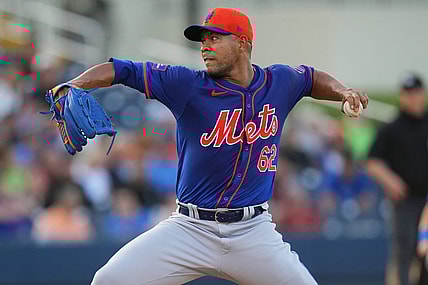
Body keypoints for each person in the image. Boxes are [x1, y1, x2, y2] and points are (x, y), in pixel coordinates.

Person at [55, 8, 368, 285]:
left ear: (242, 43)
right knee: (108, 280)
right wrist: (76, 84)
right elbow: (123, 70)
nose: (205, 47)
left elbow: (311, 78)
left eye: (215, 38)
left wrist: (343, 92)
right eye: (203, 40)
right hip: (191, 228)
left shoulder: (279, 82)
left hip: (253, 232)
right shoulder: (188, 84)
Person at [367, 73, 428, 285]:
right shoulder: (393, 128)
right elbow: (373, 161)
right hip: (405, 201)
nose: (412, 98)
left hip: (426, 200)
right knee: (405, 251)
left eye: (416, 93)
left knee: (424, 252)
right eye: (407, 93)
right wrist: (391, 181)